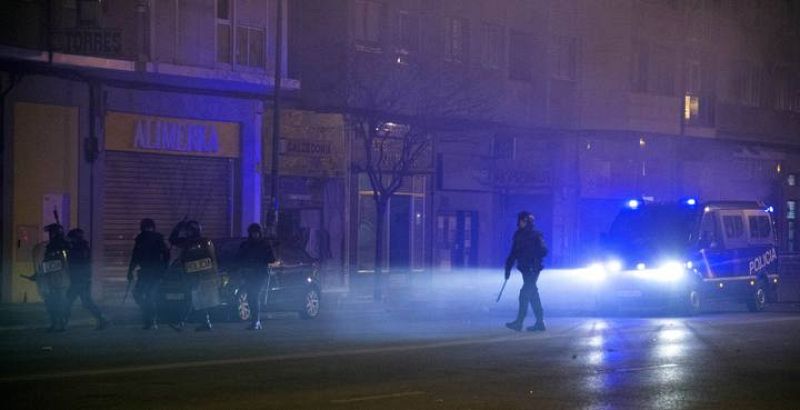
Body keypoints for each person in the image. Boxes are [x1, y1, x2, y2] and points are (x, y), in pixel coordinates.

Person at [169, 219, 219, 331]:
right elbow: (172, 240)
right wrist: (179, 225)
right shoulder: (187, 242)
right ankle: (205, 322)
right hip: (190, 275)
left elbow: (212, 258)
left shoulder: (205, 242)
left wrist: (213, 274)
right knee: (195, 299)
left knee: (193, 299)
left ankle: (182, 322)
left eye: (189, 230)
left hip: (201, 276)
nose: (187, 233)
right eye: (186, 230)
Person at [504, 211, 548, 332]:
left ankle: (519, 322)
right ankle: (540, 322)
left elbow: (544, 251)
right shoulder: (518, 235)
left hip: (533, 269)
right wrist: (507, 268)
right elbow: (513, 253)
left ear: (527, 221)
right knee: (533, 294)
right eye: (520, 220)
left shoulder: (536, 235)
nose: (520, 223)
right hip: (525, 269)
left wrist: (532, 256)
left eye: (522, 221)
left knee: (524, 294)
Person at [128, 219, 170, 330]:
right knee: (144, 295)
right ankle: (150, 318)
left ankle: (150, 320)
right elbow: (136, 256)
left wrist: (130, 271)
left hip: (152, 272)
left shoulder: (149, 238)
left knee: (146, 296)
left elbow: (135, 257)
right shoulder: (143, 238)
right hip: (149, 272)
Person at [65, 228, 109, 330]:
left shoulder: (80, 248)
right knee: (85, 302)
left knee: (68, 300)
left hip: (80, 279)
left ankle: (62, 322)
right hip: (81, 279)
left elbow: (78, 262)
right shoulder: (80, 247)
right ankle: (103, 319)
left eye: (72, 238)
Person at [237, 223, 276, 330]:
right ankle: (255, 321)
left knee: (255, 296)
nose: (255, 235)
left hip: (260, 274)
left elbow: (272, 258)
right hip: (249, 274)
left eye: (256, 233)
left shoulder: (264, 244)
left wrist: (261, 260)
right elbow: (239, 258)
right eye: (253, 233)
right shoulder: (246, 245)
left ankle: (256, 321)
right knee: (251, 297)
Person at [36, 224, 71, 332]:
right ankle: (56, 323)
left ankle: (61, 323)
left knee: (59, 302)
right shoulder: (51, 246)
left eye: (52, 232)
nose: (50, 235)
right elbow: (47, 263)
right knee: (51, 302)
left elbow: (61, 264)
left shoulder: (61, 246)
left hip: (60, 279)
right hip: (52, 279)